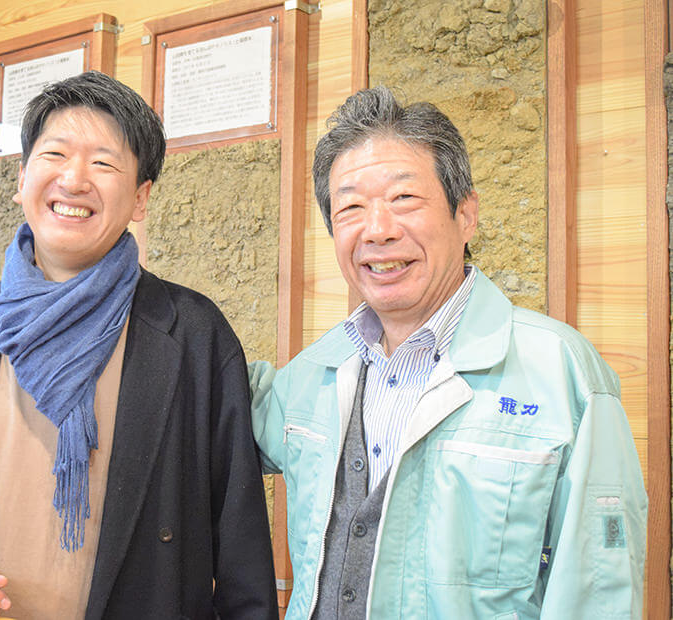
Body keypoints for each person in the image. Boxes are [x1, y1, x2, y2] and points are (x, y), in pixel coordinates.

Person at [0, 71, 277, 620]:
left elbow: (240, 536)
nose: (74, 179)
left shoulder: (195, 334)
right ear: (22, 178)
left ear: (141, 197)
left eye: (103, 163)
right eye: (54, 154)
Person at [250, 86, 647, 619]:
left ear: (466, 215)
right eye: (350, 208)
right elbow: (206, 404)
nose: (378, 230)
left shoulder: (562, 372)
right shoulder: (311, 375)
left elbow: (599, 591)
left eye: (404, 199)